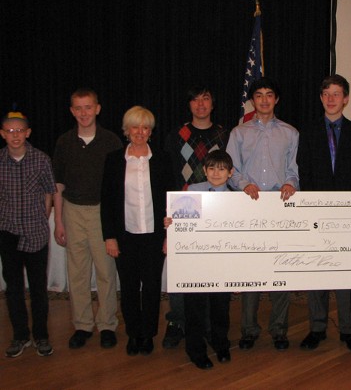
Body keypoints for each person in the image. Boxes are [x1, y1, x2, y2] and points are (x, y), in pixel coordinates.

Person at [297, 74, 351, 352]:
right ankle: (317, 326)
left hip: (348, 214)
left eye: (337, 94)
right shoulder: (307, 131)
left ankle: (349, 329)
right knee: (316, 270)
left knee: (347, 272)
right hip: (316, 212)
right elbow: (304, 173)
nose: (331, 99)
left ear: (346, 99)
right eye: (326, 93)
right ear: (321, 98)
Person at [226, 77, 298, 351]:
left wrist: (292, 183)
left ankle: (279, 329)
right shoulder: (239, 133)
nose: (265, 99)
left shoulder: (291, 133)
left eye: (270, 95)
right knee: (251, 271)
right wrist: (245, 185)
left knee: (281, 270)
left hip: (280, 206)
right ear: (252, 100)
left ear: (276, 99)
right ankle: (248, 329)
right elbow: (231, 169)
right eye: (259, 95)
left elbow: (293, 168)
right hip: (250, 205)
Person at [101, 106, 173, 356]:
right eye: (135, 127)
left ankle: (149, 335)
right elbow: (107, 202)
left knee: (152, 288)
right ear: (127, 130)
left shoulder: (163, 159)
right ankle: (134, 334)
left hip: (154, 237)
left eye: (145, 127)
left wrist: (168, 237)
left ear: (150, 131)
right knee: (129, 288)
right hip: (125, 236)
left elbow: (170, 201)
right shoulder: (113, 160)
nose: (140, 132)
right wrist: (109, 236)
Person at [53, 88, 122, 349]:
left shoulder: (111, 141)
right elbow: (58, 184)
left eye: (88, 107)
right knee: (78, 272)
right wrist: (58, 220)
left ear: (97, 109)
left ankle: (107, 324)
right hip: (72, 210)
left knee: (105, 270)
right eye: (78, 108)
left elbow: (117, 186)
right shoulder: (64, 142)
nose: (84, 113)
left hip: (101, 212)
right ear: (72, 111)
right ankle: (82, 324)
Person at [162, 85, 229, 349]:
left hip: (216, 209)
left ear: (213, 104)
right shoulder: (177, 135)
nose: (201, 105)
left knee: (212, 268)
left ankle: (209, 325)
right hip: (185, 207)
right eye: (195, 100)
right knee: (181, 268)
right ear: (189, 105)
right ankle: (177, 321)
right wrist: (171, 212)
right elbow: (170, 175)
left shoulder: (225, 134)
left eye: (206, 99)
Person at [164, 149, 234, 370]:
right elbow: (181, 223)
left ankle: (221, 344)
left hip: (222, 263)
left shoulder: (238, 199)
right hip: (195, 262)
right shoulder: (193, 191)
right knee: (194, 306)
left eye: (222, 169)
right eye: (211, 168)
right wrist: (171, 224)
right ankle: (195, 350)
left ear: (230, 173)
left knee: (220, 307)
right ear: (204, 170)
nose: (216, 173)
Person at [1, 111, 56, 358]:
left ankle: (41, 336)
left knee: (38, 289)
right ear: (3, 134)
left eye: (20, 131)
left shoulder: (41, 160)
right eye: (10, 131)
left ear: (28, 133)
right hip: (8, 233)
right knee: (13, 288)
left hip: (35, 232)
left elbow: (49, 192)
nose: (15, 135)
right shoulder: (0, 161)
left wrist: (42, 217)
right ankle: (20, 335)